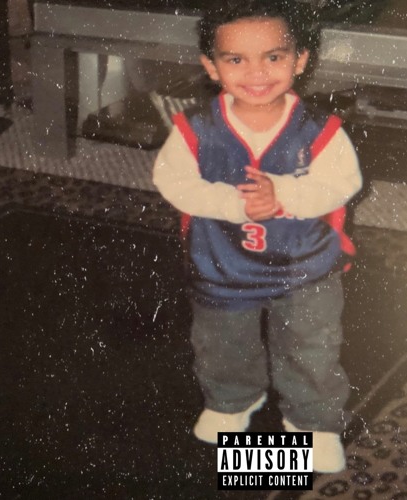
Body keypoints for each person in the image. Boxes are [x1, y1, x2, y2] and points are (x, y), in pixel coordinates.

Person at [153, 0, 362, 473]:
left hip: (304, 265)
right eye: (236, 59)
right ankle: (231, 401)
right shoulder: (194, 129)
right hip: (223, 263)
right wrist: (233, 203)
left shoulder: (321, 131)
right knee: (222, 342)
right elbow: (173, 182)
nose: (257, 73)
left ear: (300, 60)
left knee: (311, 345)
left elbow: (342, 183)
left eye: (273, 56)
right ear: (211, 66)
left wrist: (283, 195)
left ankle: (313, 422)